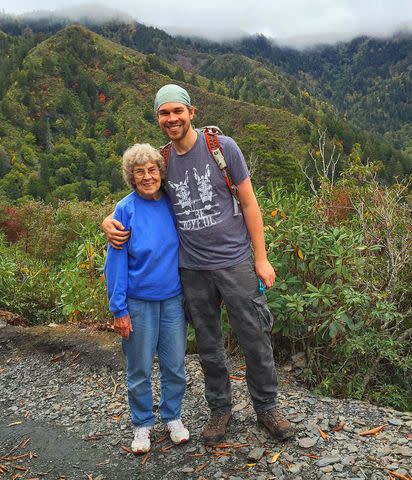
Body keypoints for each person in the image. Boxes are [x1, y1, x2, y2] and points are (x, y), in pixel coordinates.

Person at [103, 84, 293, 445]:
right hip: (191, 269)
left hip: (234, 261)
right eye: (164, 113)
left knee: (254, 336)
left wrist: (261, 257)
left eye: (177, 111)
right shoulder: (163, 161)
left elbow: (250, 204)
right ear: (158, 118)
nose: (171, 119)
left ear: (192, 112)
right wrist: (108, 220)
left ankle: (267, 407)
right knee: (208, 344)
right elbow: (140, 198)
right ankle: (220, 410)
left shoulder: (222, 148)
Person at [104, 143, 189, 454]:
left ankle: (173, 416)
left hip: (172, 300)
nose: (147, 176)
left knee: (175, 365)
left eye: (152, 170)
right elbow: (115, 263)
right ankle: (142, 424)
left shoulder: (171, 203)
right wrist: (119, 309)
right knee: (139, 368)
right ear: (131, 176)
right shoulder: (125, 210)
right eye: (139, 172)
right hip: (138, 302)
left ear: (160, 172)